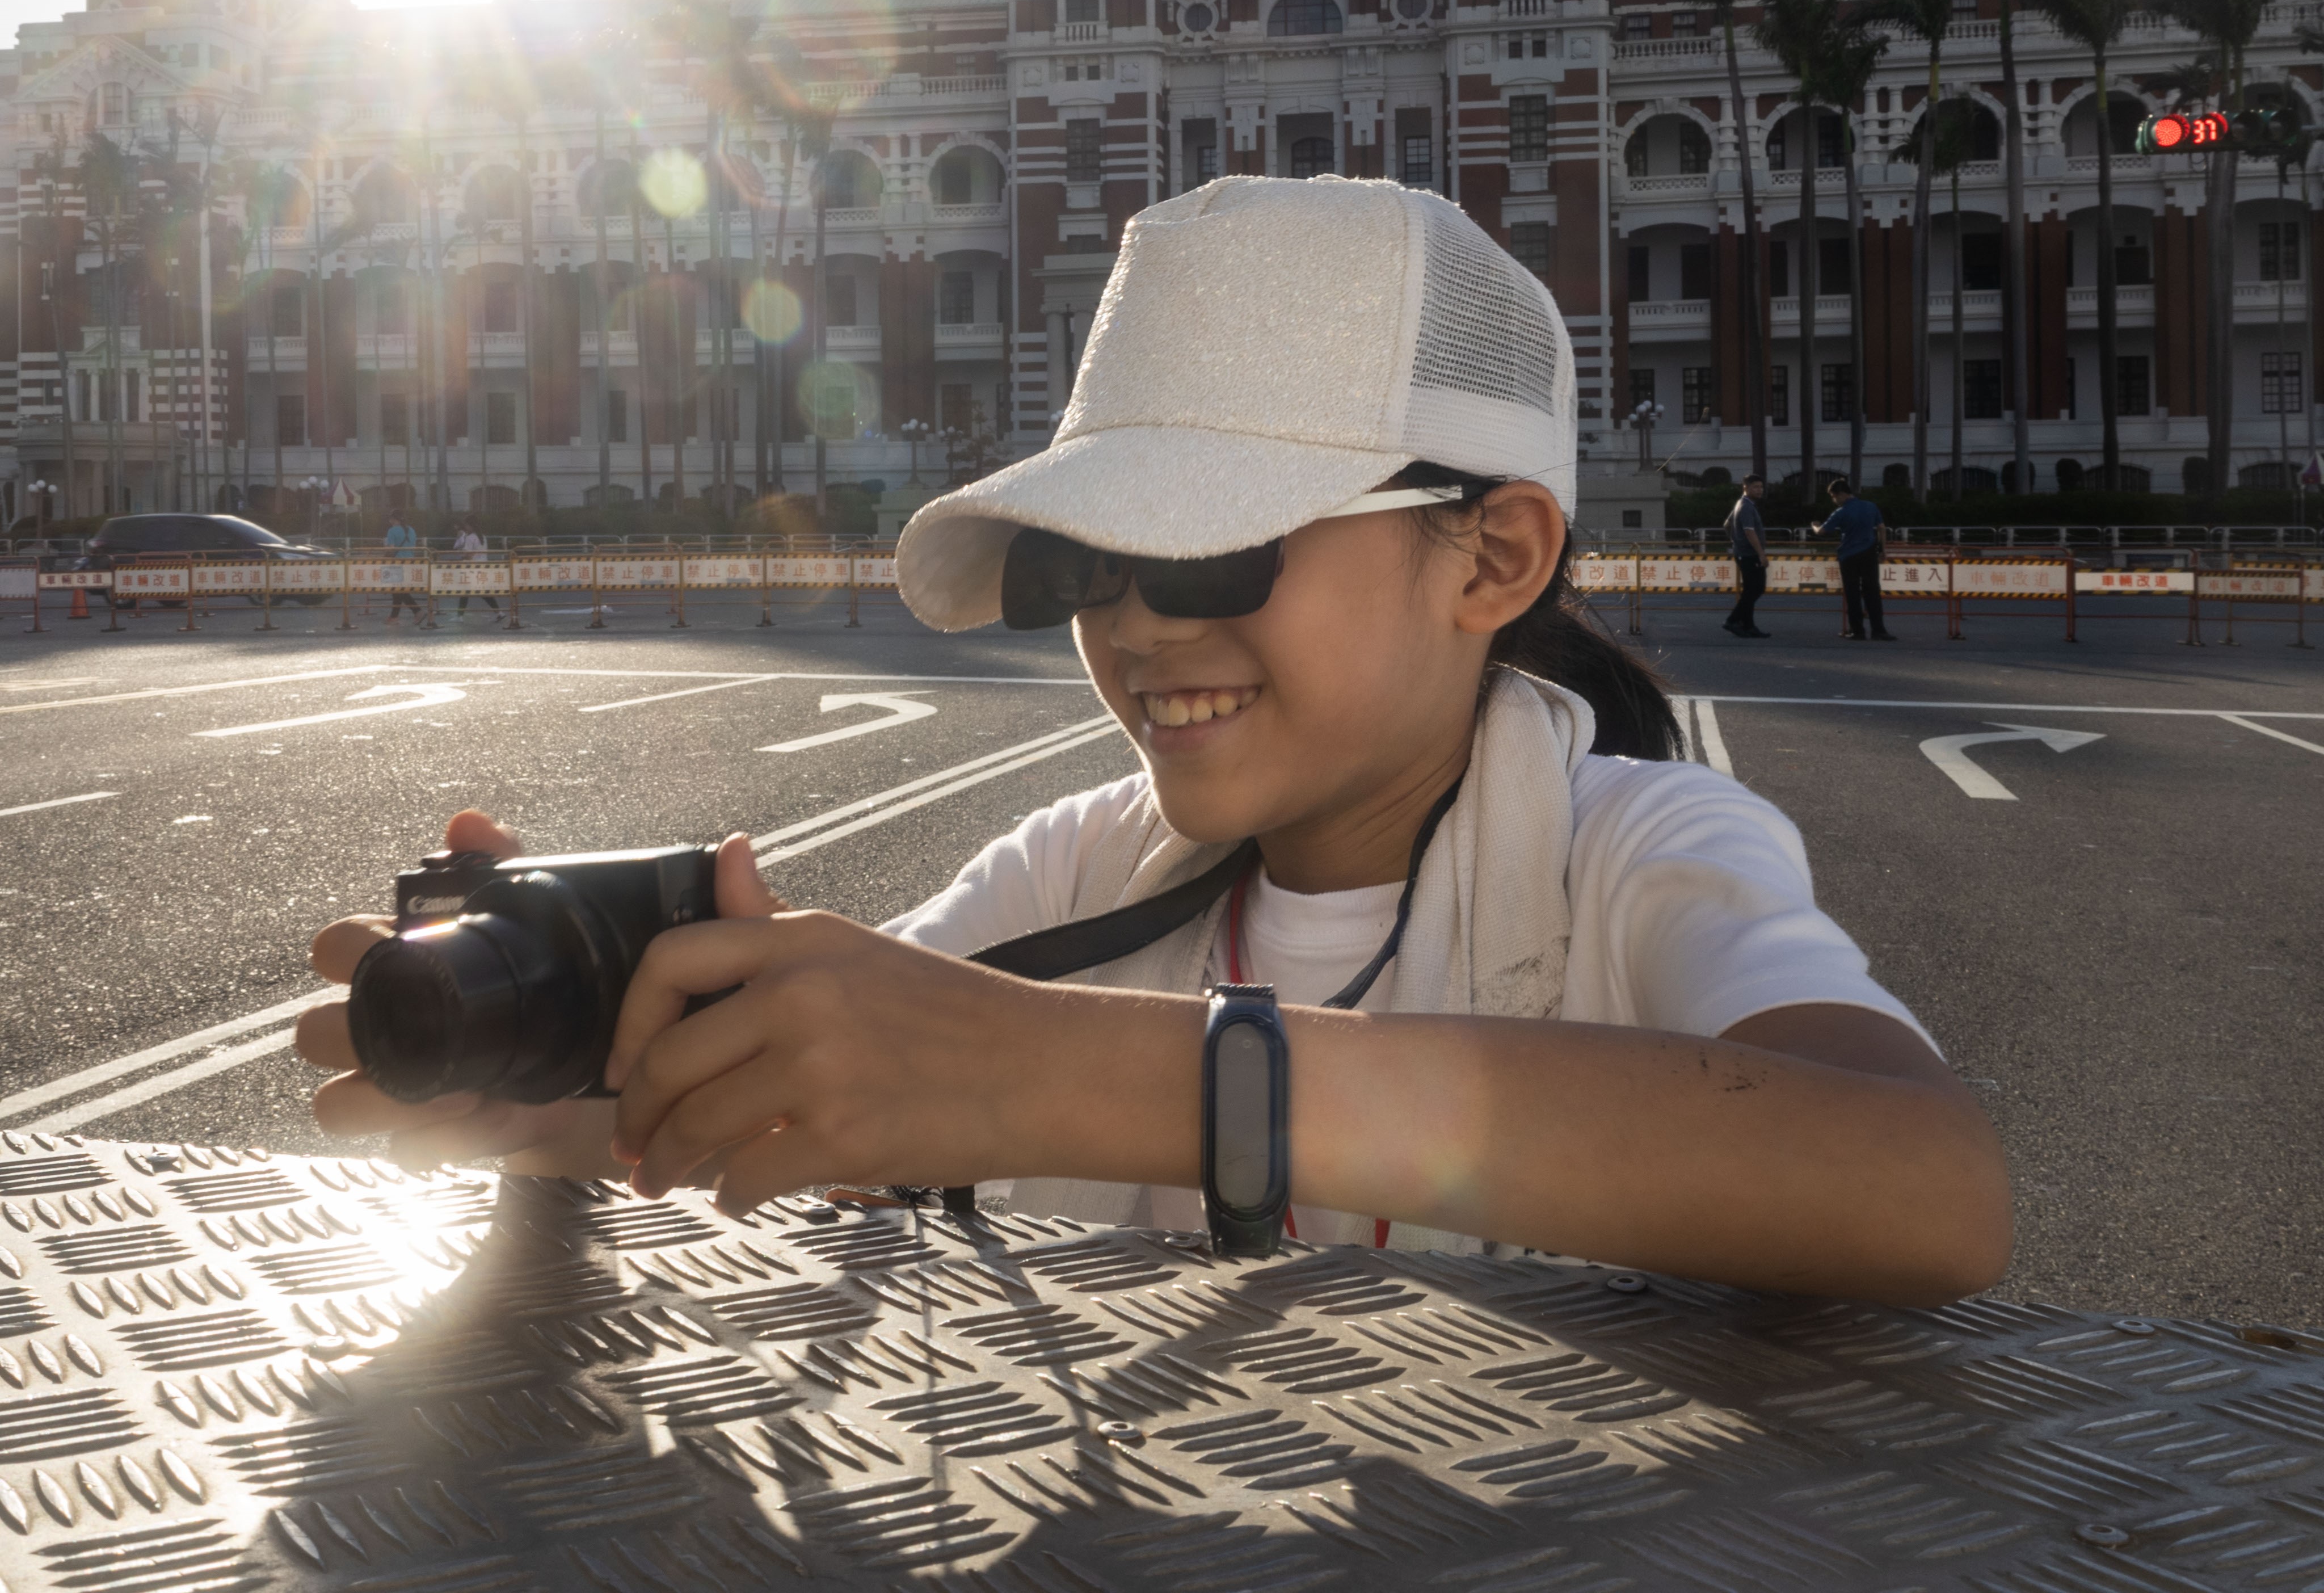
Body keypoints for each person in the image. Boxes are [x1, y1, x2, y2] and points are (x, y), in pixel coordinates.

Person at [298, 178, 2007, 1305]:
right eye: (1083, 564)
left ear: (1492, 557)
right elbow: (827, 1109)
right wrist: (562, 1086)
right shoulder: (1081, 868)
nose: (1133, 625)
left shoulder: (1635, 851)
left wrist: (1067, 1073)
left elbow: (1926, 1187)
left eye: (1208, 549)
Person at [1819, 477, 1894, 641]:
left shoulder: (1841, 512)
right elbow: (1881, 528)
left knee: (1852, 594)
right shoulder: (1871, 506)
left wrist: (1814, 526)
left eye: (1834, 497)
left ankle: (1858, 631)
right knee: (1872, 592)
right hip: (1869, 553)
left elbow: (1823, 531)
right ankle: (1879, 630)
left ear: (1841, 494)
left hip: (1848, 556)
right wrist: (1883, 550)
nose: (1834, 501)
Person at [1723, 473, 1770, 637]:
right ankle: (1732, 620)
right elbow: (1749, 531)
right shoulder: (1747, 507)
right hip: (1750, 555)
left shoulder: (1741, 504)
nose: (1760, 490)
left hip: (1743, 553)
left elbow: (1727, 524)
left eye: (1761, 487)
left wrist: (1736, 540)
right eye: (1755, 487)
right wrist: (1761, 554)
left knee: (1750, 590)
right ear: (1746, 488)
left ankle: (1748, 626)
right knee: (1756, 589)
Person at [452, 516, 499, 617]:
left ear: (471, 526)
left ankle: (459, 616)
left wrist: (460, 554)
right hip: (483, 567)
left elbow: (468, 555)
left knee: (466, 591)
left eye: (466, 525)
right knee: (481, 592)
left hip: (472, 568)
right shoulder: (483, 537)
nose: (465, 527)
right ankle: (499, 613)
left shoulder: (470, 538)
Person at [382, 510, 422, 621]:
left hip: (397, 563)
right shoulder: (411, 530)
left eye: (390, 518)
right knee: (399, 590)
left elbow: (391, 549)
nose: (389, 521)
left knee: (398, 590)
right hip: (410, 563)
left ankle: (417, 611)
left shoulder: (392, 531)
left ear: (394, 519)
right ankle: (394, 617)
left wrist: (385, 550)